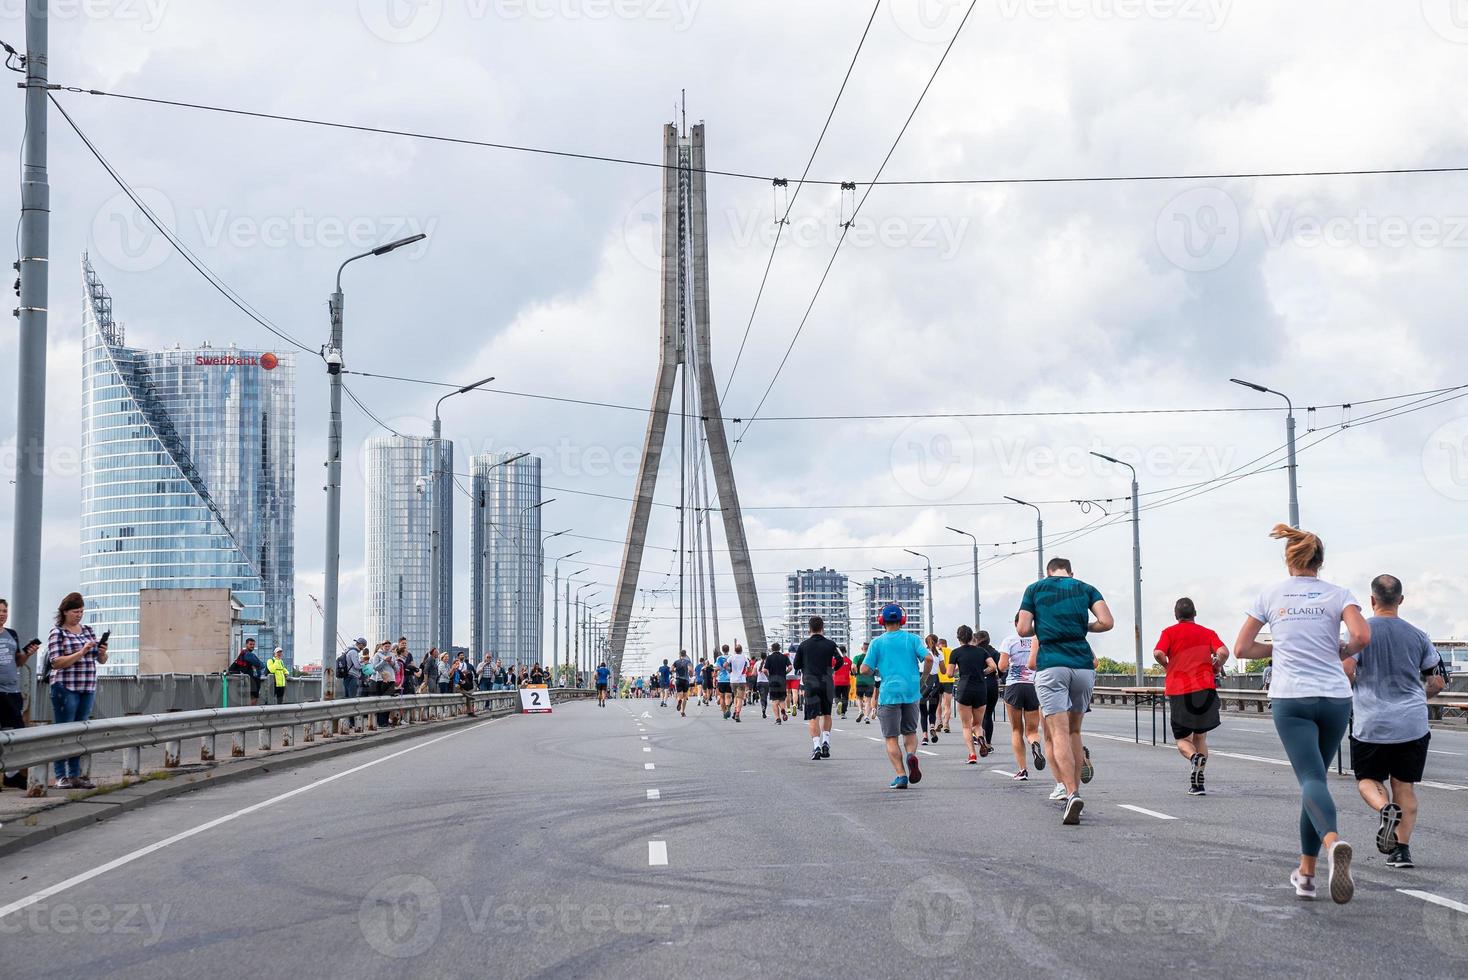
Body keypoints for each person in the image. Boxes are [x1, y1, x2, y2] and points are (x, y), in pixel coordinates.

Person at [1234, 524, 1369, 904]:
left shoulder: (1271, 594)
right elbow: (1362, 637)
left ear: (1288, 560)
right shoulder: (1340, 594)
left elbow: (1242, 648)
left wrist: (1279, 649)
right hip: (1335, 698)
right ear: (1320, 562)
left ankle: (1333, 841)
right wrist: (1340, 651)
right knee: (1316, 782)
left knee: (1311, 779)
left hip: (1292, 698)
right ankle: (1306, 875)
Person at [1346, 574, 1447, 870]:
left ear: (1372, 600)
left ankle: (1383, 807)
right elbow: (1437, 681)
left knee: (1367, 779)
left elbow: (1347, 672)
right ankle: (1401, 852)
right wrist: (1418, 696)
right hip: (1412, 723)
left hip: (1371, 722)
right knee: (1405, 786)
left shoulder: (1358, 634)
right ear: (1401, 600)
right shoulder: (1419, 636)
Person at [1019, 556, 1114, 826]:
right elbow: (1107, 622)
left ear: (1048, 573)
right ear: (1071, 572)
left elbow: (1024, 628)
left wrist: (1048, 625)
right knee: (1074, 731)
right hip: (1083, 667)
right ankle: (1077, 787)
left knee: (1057, 732)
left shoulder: (1034, 590)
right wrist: (1081, 626)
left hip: (1052, 666)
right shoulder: (1086, 588)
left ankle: (1071, 793)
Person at [1154, 597, 1230, 796]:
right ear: (1195, 614)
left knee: (1182, 739)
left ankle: (1194, 758)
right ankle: (1198, 784)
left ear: (1176, 615)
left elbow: (1158, 653)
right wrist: (1217, 665)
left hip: (1180, 690)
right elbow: (1223, 651)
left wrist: (1167, 666)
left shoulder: (1169, 632)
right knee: (1200, 736)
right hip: (1204, 689)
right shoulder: (1207, 633)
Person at [862, 604, 932, 789]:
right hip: (911, 691)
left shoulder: (877, 643)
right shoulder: (912, 639)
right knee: (909, 732)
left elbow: (865, 669)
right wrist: (923, 679)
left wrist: (874, 670)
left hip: (889, 693)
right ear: (902, 620)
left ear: (882, 621)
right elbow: (930, 658)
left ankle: (901, 776)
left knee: (891, 737)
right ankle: (911, 755)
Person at [46, 592, 109, 789]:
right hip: (65, 687)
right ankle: (60, 775)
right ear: (65, 612)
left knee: (79, 731)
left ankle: (75, 774)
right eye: (75, 611)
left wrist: (102, 652)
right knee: (64, 730)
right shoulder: (58, 633)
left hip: (87, 685)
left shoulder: (88, 631)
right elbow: (56, 662)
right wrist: (81, 652)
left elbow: (101, 660)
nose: (79, 615)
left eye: (81, 611)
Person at [997, 617, 1043, 781]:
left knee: (1016, 730)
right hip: (1033, 685)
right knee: (1032, 731)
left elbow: (1001, 667)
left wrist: (1012, 664)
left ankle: (1023, 769)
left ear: (1017, 624)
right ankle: (1034, 743)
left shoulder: (1009, 641)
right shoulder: (1037, 639)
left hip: (1015, 686)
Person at [0, 599, 39, 789]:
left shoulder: (11, 634)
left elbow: (18, 661)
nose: (2, 614)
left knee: (14, 733)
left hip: (11, 691)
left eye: (5, 610)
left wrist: (28, 653)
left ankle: (12, 774)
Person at [794, 617, 842, 759]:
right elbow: (841, 659)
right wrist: (832, 669)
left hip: (810, 683)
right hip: (827, 681)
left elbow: (796, 665)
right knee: (827, 714)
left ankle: (816, 747)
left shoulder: (803, 645)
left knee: (813, 716)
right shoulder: (831, 644)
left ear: (809, 628)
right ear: (822, 628)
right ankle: (826, 742)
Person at [948, 626, 996, 765]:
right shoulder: (982, 651)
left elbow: (950, 673)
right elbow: (993, 666)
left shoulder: (955, 653)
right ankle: (981, 738)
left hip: (964, 689)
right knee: (977, 724)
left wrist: (960, 671)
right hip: (981, 689)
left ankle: (972, 754)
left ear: (958, 638)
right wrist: (982, 672)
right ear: (971, 637)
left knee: (966, 726)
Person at [920, 634, 944, 746]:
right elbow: (943, 671)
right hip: (935, 683)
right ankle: (932, 726)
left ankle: (925, 737)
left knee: (923, 712)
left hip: (924, 683)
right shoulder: (940, 654)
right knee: (932, 710)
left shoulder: (922, 653)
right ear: (936, 641)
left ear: (926, 642)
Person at [229, 637, 266, 705]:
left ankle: (250, 712)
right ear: (246, 645)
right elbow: (260, 664)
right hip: (252, 679)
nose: (252, 646)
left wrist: (258, 664)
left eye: (253, 644)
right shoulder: (248, 654)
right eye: (250, 644)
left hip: (250, 679)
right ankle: (251, 713)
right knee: (254, 697)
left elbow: (262, 665)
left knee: (252, 697)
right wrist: (257, 664)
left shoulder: (246, 654)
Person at [765, 643, 791, 725]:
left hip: (773, 680)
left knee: (774, 700)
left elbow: (765, 670)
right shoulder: (784, 657)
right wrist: (785, 673)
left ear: (772, 649)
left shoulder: (769, 658)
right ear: (779, 648)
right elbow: (790, 667)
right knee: (781, 699)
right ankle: (783, 710)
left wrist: (768, 676)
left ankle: (778, 719)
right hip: (782, 680)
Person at [726, 643, 751, 723]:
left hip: (733, 680)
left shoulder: (731, 657)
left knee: (736, 696)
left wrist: (729, 670)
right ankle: (737, 713)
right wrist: (745, 672)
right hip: (741, 680)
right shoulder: (744, 657)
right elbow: (749, 668)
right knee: (740, 698)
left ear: (735, 650)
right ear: (741, 650)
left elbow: (724, 665)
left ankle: (734, 711)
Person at [853, 641, 875, 724]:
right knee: (868, 700)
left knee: (859, 697)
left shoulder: (857, 657)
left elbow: (853, 667)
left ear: (862, 649)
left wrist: (855, 673)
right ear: (869, 649)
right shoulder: (872, 658)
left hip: (860, 681)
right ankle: (866, 717)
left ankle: (860, 711)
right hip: (870, 681)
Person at [936, 638, 954, 733]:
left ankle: (939, 721)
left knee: (938, 703)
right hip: (948, 680)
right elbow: (956, 666)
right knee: (947, 705)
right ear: (946, 644)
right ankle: (946, 724)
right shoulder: (951, 651)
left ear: (939, 644)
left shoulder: (936, 651)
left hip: (937, 680)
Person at [833, 646, 852, 720]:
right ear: (845, 651)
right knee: (845, 697)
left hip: (836, 682)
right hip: (846, 682)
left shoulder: (835, 660)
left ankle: (838, 703)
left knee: (836, 696)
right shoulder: (849, 661)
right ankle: (843, 713)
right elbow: (852, 671)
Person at [672, 650, 693, 716]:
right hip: (685, 680)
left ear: (680, 655)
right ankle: (682, 711)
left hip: (678, 680)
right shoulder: (688, 662)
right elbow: (690, 669)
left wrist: (675, 670)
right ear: (685, 654)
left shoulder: (676, 662)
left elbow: (671, 669)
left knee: (679, 695)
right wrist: (691, 674)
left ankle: (679, 700)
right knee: (685, 696)